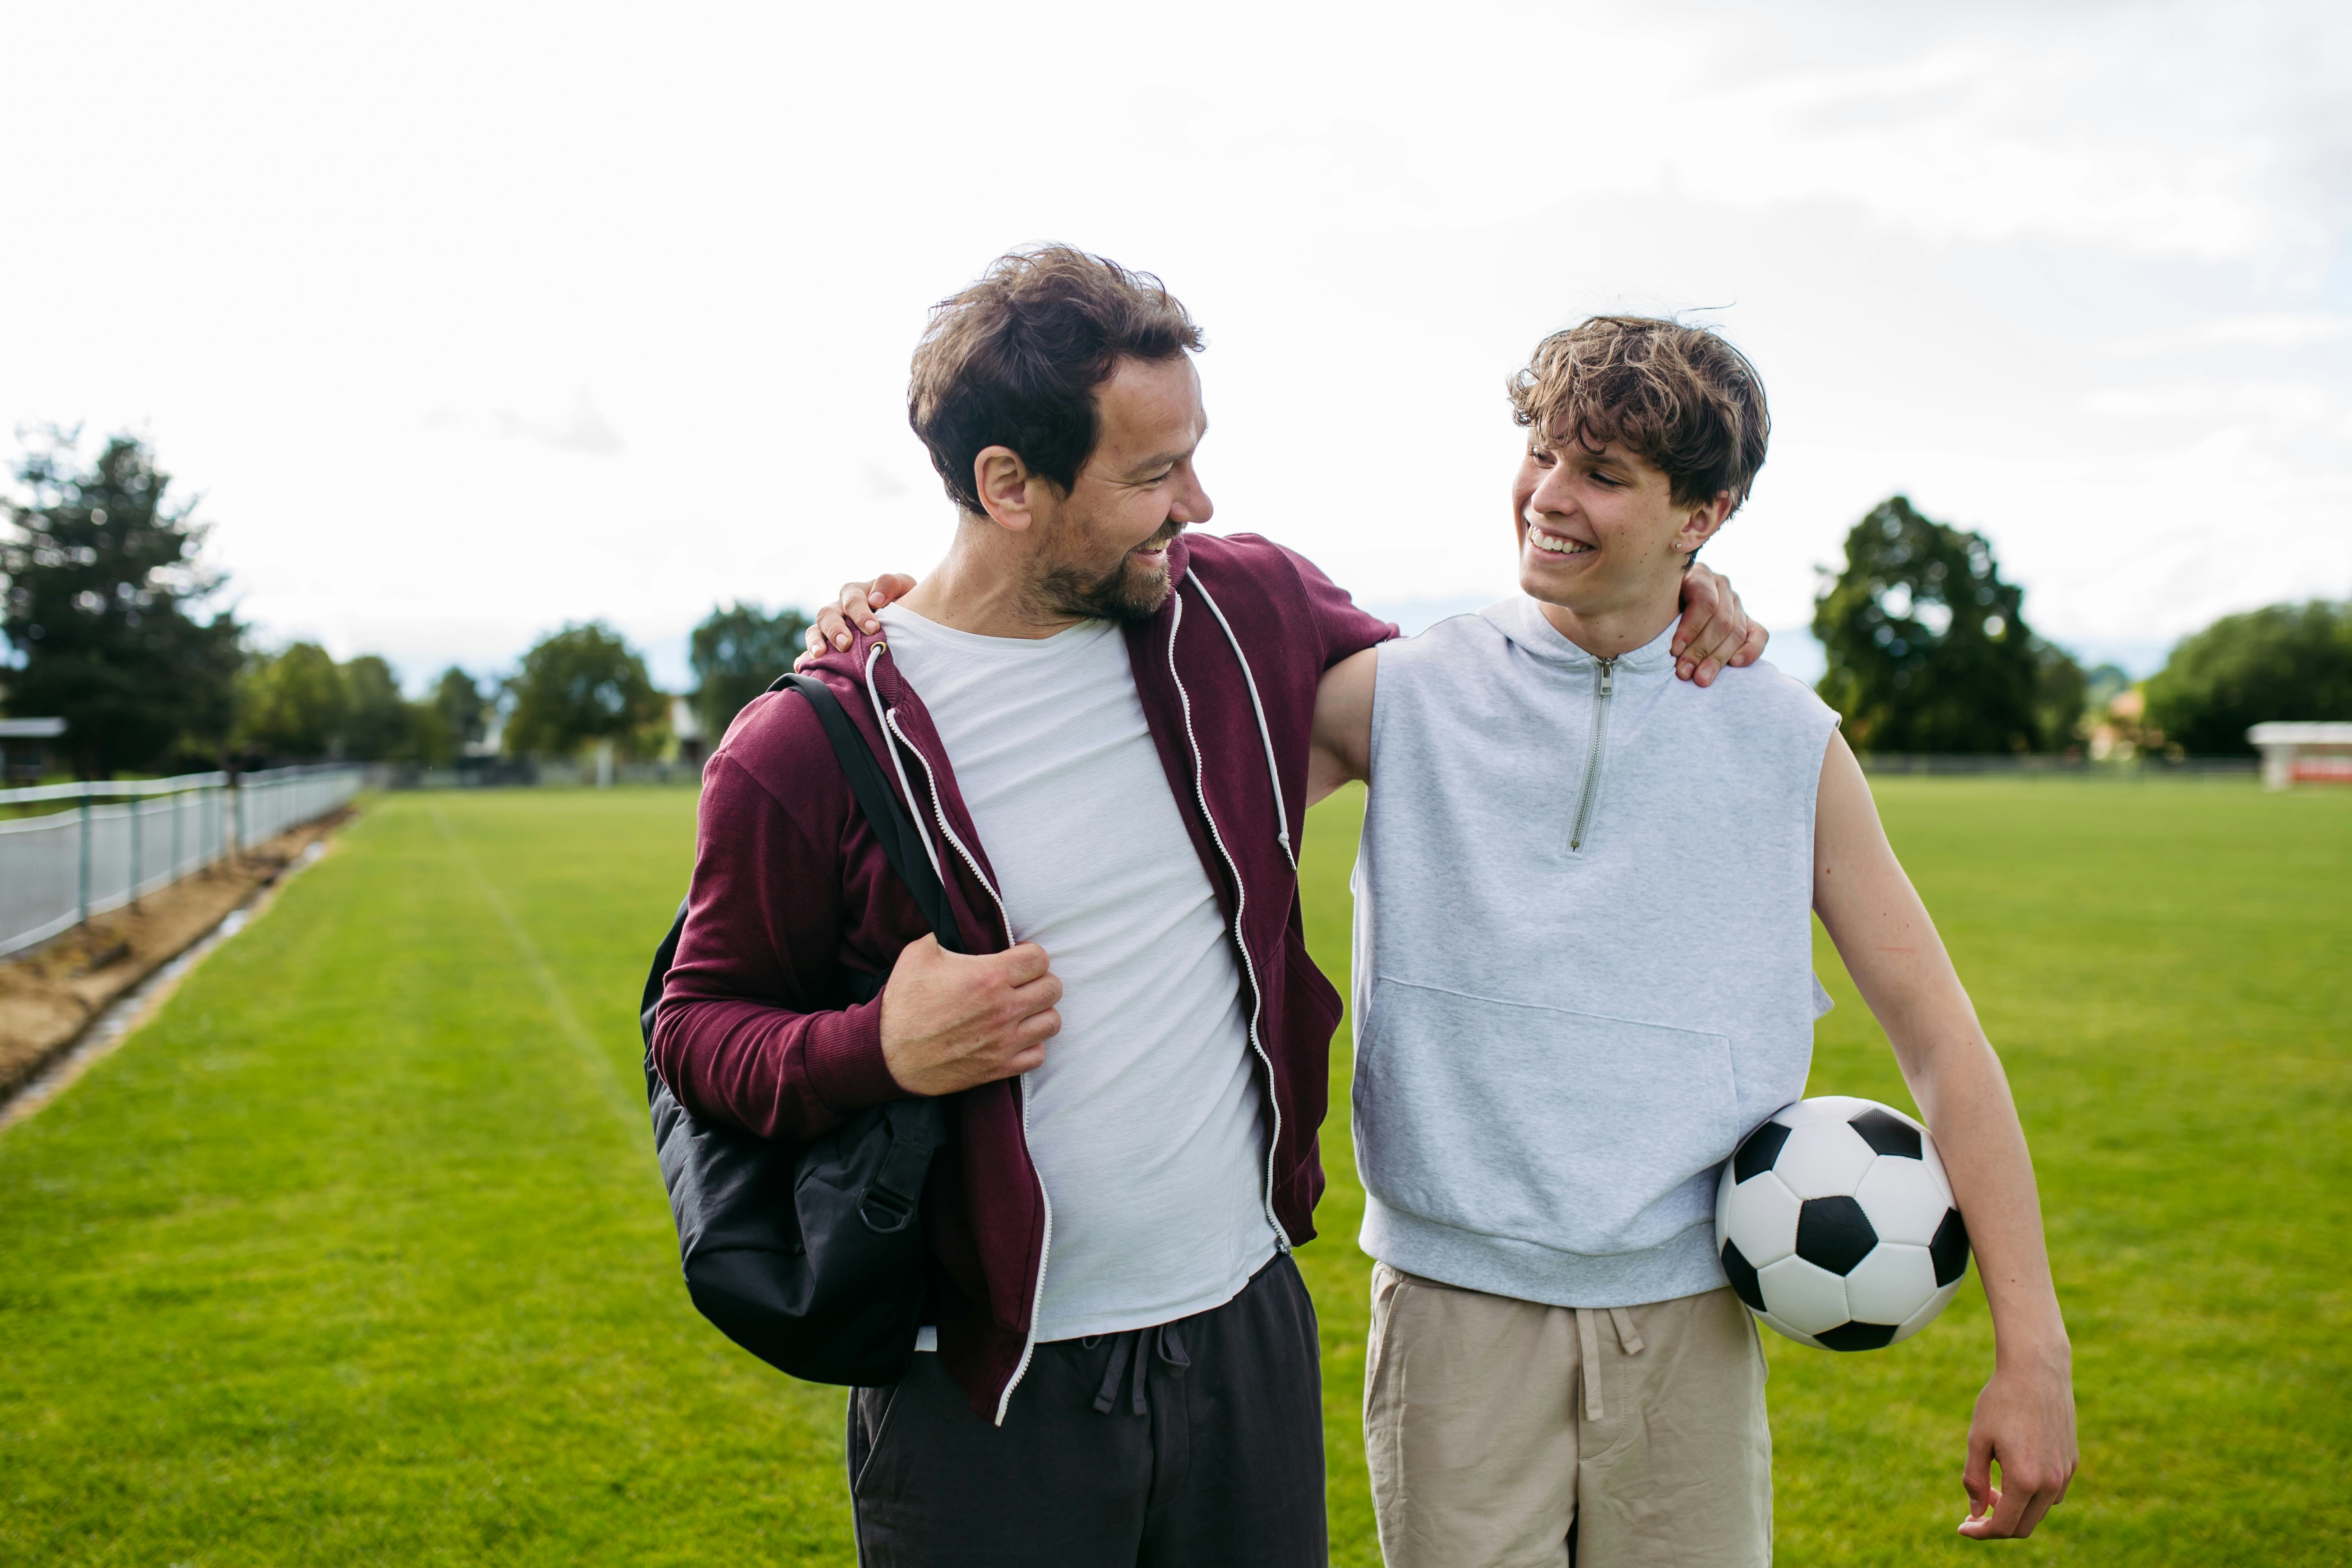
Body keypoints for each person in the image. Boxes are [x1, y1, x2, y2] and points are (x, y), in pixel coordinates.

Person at [669, 248, 1764, 1568]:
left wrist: (1671, 597)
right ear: (1007, 485)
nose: (1195, 499)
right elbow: (697, 1032)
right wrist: (876, 1048)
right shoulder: (806, 744)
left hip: (1242, 1338)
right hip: (981, 1387)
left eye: (1191, 455)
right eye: (1149, 474)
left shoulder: (1241, 608)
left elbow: (1503, 677)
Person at [1292, 316, 2076, 1565]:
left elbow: (1941, 1042)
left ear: (1702, 516)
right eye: (1543, 454)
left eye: (1601, 475)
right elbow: (1166, 755)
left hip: (1689, 1318)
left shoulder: (1785, 738)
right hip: (1455, 1316)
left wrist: (2033, 1350)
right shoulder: (1399, 695)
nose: (1548, 497)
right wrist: (902, 618)